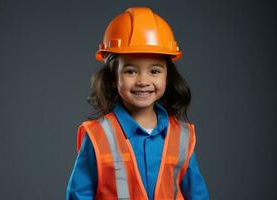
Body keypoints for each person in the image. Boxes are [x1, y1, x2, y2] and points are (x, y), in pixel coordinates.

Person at [66, 7, 209, 200]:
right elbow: (79, 195)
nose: (143, 81)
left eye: (155, 71)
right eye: (131, 71)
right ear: (113, 78)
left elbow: (197, 194)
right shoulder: (98, 136)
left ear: (168, 76)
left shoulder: (181, 137)